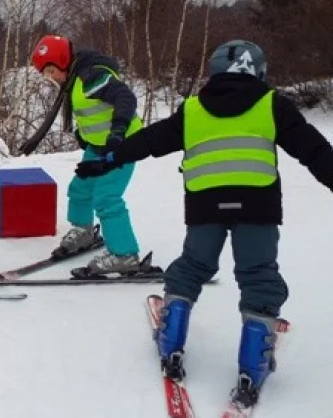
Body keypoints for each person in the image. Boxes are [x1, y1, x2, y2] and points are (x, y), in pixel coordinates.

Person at [75, 40, 333, 402]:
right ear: (258, 72)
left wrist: (109, 158)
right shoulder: (272, 104)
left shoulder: (193, 109)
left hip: (205, 206)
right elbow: (315, 151)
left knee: (194, 265)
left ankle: (172, 335)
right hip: (257, 206)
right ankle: (253, 361)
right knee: (258, 273)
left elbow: (151, 139)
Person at [29, 34, 147, 276]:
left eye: (52, 71)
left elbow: (125, 98)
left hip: (121, 145)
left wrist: (117, 132)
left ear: (62, 61)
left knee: (106, 197)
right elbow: (90, 111)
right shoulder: (74, 79)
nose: (51, 77)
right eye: (47, 74)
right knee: (80, 188)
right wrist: (84, 136)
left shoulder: (91, 76)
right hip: (98, 146)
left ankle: (124, 254)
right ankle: (83, 232)